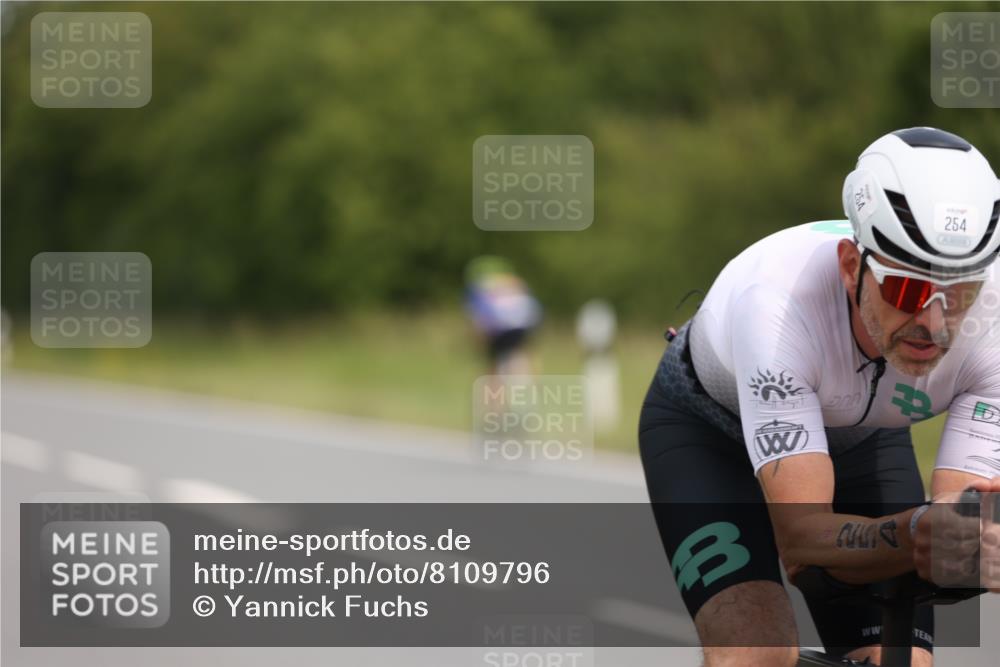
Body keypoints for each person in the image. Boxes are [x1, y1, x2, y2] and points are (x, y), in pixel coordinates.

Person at [639, 127, 1000, 667]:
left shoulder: (995, 325)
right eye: (908, 290)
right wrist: (917, 532)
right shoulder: (778, 310)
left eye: (959, 294)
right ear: (852, 266)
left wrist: (974, 539)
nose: (935, 322)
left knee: (902, 660)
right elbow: (802, 540)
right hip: (709, 432)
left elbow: (959, 522)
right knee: (755, 653)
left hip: (862, 440)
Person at [464, 256, 542, 375]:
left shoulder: (479, 288)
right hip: (525, 322)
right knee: (522, 354)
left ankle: (495, 387)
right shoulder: (516, 283)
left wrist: (480, 339)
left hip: (500, 325)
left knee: (495, 361)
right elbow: (534, 308)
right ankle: (530, 383)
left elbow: (481, 317)